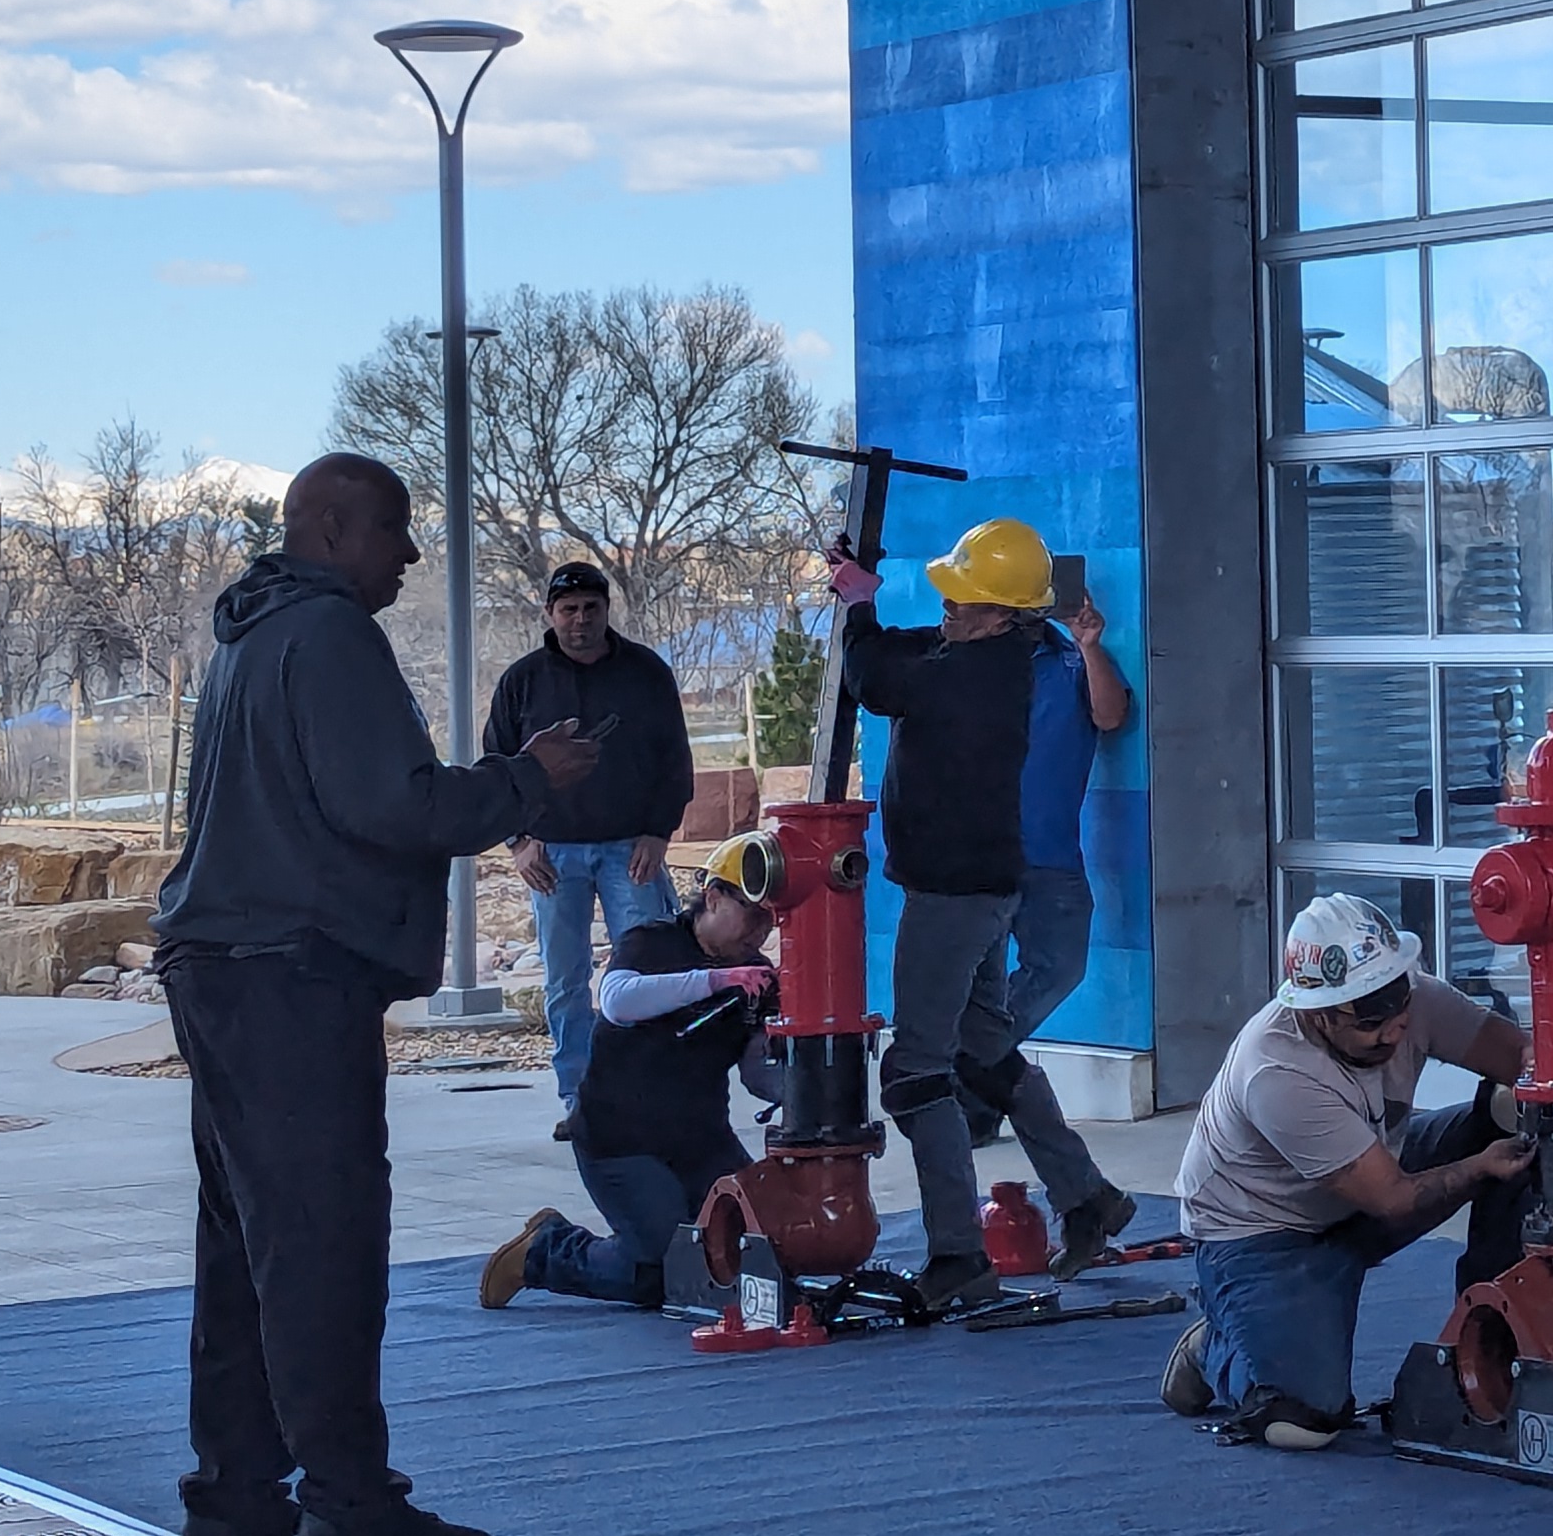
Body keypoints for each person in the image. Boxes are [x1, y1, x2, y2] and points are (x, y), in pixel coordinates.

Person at [152, 451, 598, 1536]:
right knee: (323, 1240)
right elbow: (391, 806)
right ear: (330, 529)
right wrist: (527, 779)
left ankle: (233, 1497)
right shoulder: (329, 634)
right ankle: (348, 1500)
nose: (408, 553)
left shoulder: (248, 637)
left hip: (224, 963)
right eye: (394, 528)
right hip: (293, 972)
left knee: (246, 1244)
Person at [834, 518, 1139, 1309]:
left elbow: (873, 677)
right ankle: (1088, 1197)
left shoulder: (971, 675)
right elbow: (909, 652)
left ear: (1004, 613)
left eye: (963, 599)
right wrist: (865, 598)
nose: (948, 608)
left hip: (951, 893)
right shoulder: (997, 656)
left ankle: (957, 1255)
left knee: (914, 1074)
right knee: (986, 1051)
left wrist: (858, 605)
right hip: (980, 887)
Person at [1159, 894, 1533, 1449]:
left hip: (1366, 1176)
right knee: (1301, 1421)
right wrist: (1480, 1168)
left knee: (1519, 1121)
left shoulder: (1414, 1001)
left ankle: (1493, 1323)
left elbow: (1524, 1060)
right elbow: (1392, 1200)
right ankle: (1221, 1342)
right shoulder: (1276, 1069)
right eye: (1370, 1018)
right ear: (1318, 1014)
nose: (1393, 1028)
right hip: (1263, 1234)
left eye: (1398, 1001)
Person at [483, 832, 783, 1314]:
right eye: (752, 914)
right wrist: (715, 981)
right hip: (622, 1142)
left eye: (770, 919)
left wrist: (801, 1079)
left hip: (702, 1140)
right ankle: (546, 1250)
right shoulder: (654, 942)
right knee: (659, 1272)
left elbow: (755, 1073)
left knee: (765, 1245)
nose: (761, 931)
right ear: (712, 897)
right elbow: (618, 1001)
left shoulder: (755, 974)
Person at [480, 559, 695, 1144]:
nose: (580, 619)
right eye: (569, 609)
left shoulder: (646, 673)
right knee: (566, 982)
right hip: (553, 856)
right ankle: (579, 1100)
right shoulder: (523, 681)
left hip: (632, 850)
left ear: (606, 610)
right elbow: (496, 764)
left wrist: (659, 832)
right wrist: (518, 841)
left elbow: (674, 758)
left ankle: (648, 1097)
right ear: (550, 614)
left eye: (590, 608)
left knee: (647, 976)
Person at [958, 572, 1128, 1149]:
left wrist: (1089, 644)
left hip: (1050, 854)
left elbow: (1110, 716)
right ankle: (974, 1092)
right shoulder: (967, 664)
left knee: (1059, 967)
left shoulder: (1070, 660)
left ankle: (970, 1072)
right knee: (978, 985)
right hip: (978, 856)